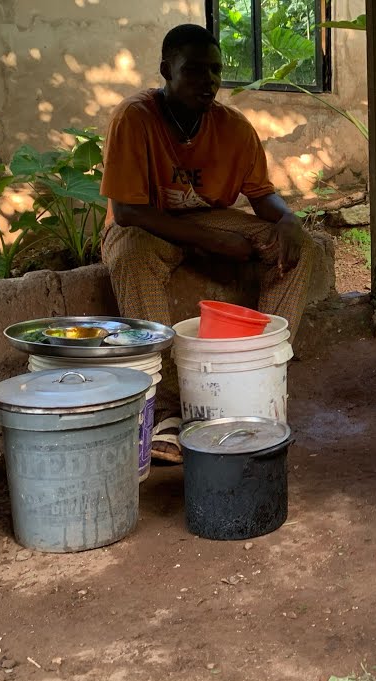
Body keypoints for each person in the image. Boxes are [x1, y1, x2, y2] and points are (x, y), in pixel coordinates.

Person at [100, 23, 320, 463]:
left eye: (216, 71)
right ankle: (166, 408)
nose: (210, 81)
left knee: (300, 248)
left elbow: (261, 195)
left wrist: (289, 220)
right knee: (130, 257)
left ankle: (257, 372)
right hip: (145, 223)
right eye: (195, 70)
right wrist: (217, 242)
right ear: (166, 69)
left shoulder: (233, 128)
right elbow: (127, 212)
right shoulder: (135, 117)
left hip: (209, 218)